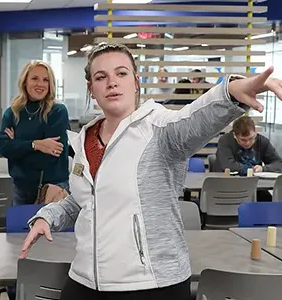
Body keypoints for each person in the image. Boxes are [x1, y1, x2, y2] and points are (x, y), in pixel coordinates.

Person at [20, 42, 282, 300]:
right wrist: (47, 217)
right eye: (102, 77)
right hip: (85, 280)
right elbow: (84, 201)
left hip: (151, 284)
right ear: (92, 88)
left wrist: (232, 92)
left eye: (121, 73)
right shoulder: (84, 140)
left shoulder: (159, 129)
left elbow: (194, 119)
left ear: (135, 81)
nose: (112, 82)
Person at [0, 60, 70, 206]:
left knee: (50, 229)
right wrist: (36, 145)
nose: (40, 84)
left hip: (52, 188)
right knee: (19, 228)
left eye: (45, 80)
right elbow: (4, 148)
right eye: (35, 78)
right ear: (25, 81)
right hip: (21, 188)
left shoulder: (57, 111)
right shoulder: (12, 113)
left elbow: (52, 154)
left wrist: (17, 146)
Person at [216, 115, 282, 201]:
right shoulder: (225, 141)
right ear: (235, 136)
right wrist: (251, 170)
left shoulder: (262, 141)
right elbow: (227, 165)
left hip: (254, 186)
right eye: (243, 140)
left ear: (255, 132)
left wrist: (263, 168)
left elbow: (279, 164)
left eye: (251, 138)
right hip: (229, 186)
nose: (247, 143)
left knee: (269, 202)